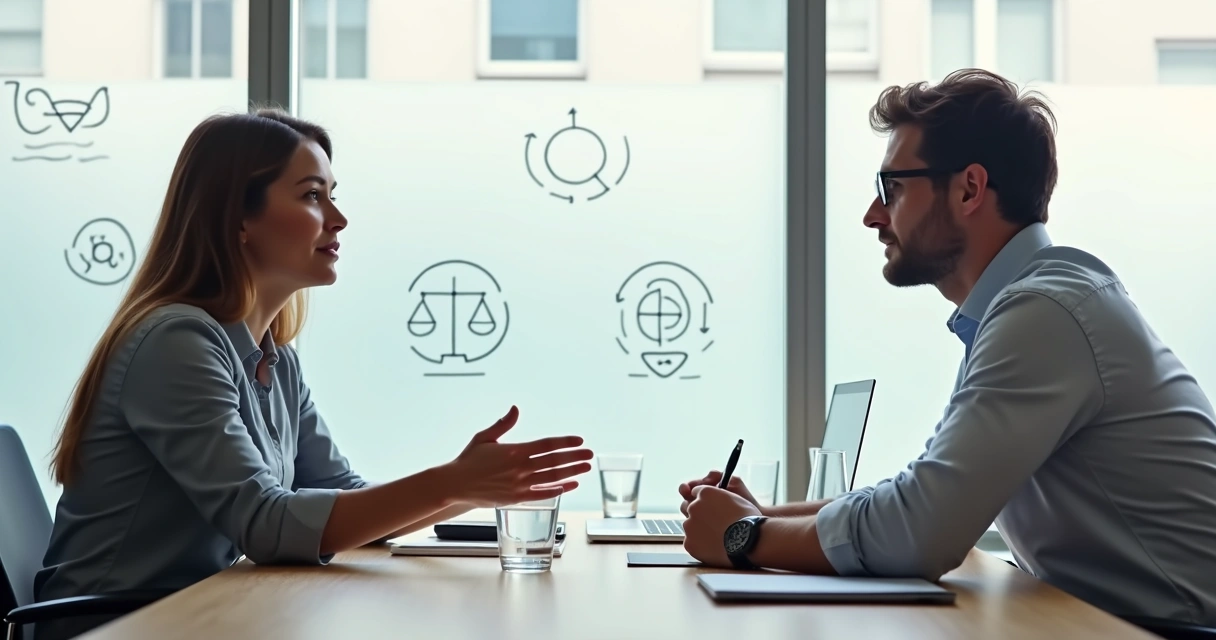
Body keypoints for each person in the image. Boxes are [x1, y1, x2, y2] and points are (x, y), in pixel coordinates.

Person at [678, 69, 1216, 625]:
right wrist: (762, 515)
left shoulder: (1046, 313)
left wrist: (746, 536)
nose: (872, 215)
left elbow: (923, 530)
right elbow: (924, 491)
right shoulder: (1024, 305)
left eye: (893, 188)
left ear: (969, 189)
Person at [33, 109, 594, 639]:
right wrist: (451, 482)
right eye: (311, 196)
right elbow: (266, 524)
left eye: (332, 196)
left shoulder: (275, 357)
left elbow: (338, 495)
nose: (339, 218)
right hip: (114, 627)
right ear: (239, 219)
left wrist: (470, 491)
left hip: (200, 616)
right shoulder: (176, 343)